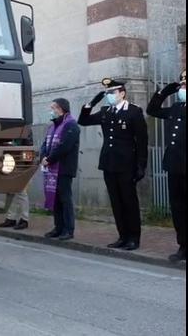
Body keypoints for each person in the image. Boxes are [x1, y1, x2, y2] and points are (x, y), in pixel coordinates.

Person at [78, 78, 148, 251]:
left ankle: (133, 238)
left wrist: (141, 166)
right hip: (109, 164)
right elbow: (83, 121)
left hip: (126, 165)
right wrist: (91, 103)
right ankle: (122, 236)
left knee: (129, 202)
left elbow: (141, 141)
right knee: (116, 202)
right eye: (107, 93)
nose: (109, 96)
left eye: (112, 92)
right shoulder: (105, 112)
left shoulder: (133, 112)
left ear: (122, 93)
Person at [146, 70, 186, 262]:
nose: (183, 88)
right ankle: (183, 246)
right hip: (174, 165)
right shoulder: (176, 107)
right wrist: (164, 92)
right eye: (182, 84)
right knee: (178, 207)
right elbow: (152, 110)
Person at [40, 98, 81, 241]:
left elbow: (64, 146)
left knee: (65, 199)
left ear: (61, 109)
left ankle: (68, 229)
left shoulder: (71, 126)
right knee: (55, 199)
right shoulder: (52, 127)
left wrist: (49, 159)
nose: (51, 111)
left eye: (53, 108)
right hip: (51, 168)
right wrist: (43, 157)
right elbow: (45, 144)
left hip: (64, 168)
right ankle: (58, 227)